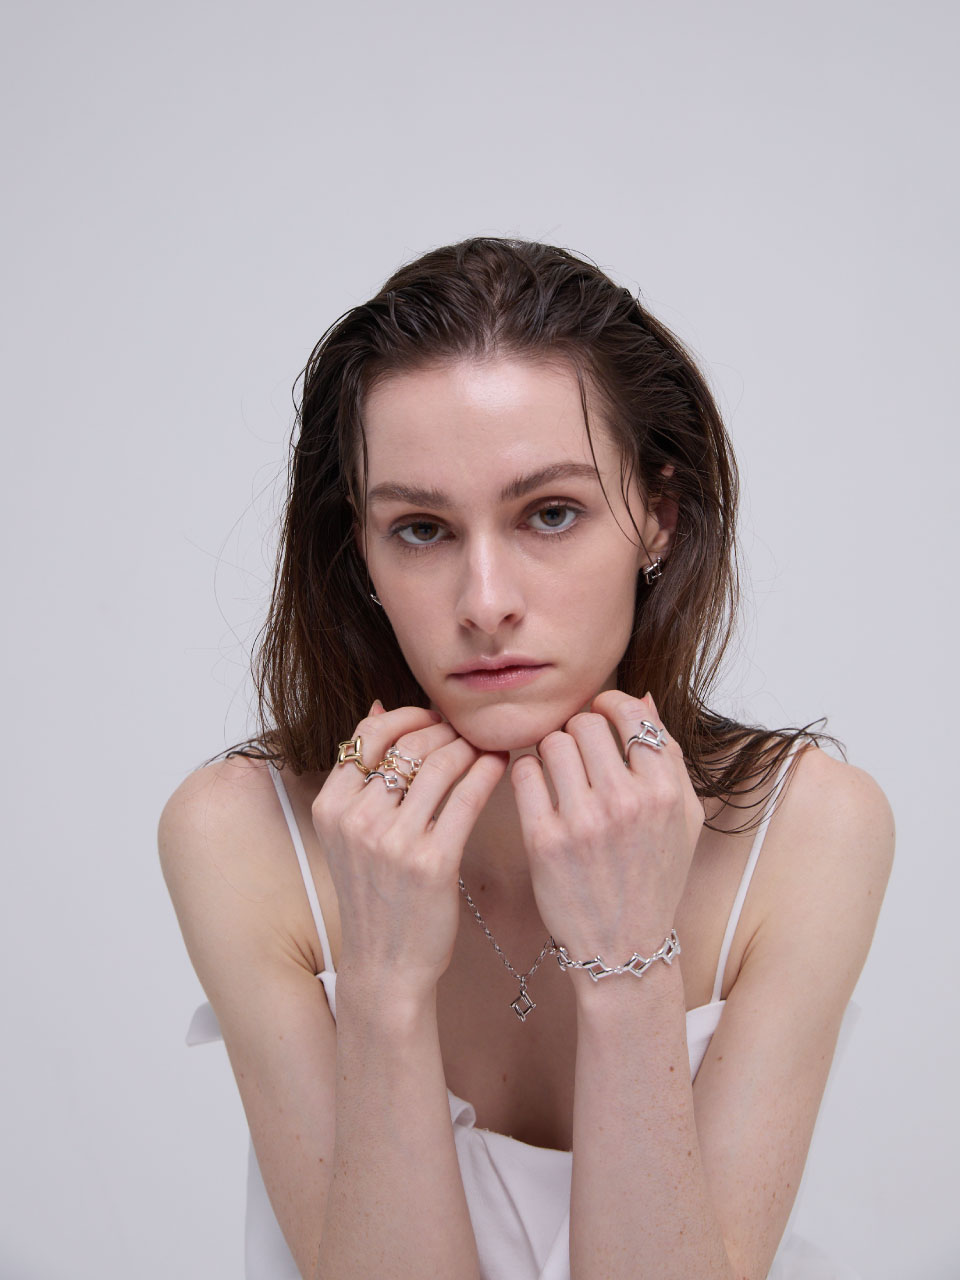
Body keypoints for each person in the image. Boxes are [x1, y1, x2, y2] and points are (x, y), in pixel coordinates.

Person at [158, 237, 894, 1280]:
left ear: (659, 516)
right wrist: (384, 986)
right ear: (360, 550)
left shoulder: (811, 829)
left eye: (551, 513)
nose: (486, 600)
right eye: (421, 528)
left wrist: (629, 962)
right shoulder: (240, 834)